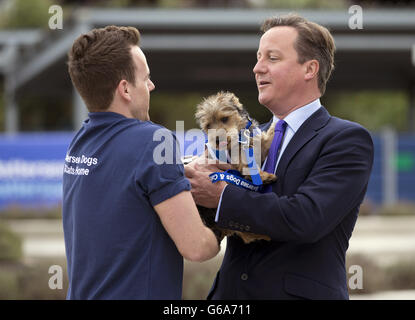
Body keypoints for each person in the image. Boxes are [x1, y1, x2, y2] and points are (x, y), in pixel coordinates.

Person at [185, 14, 374, 299]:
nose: (257, 68)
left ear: (310, 69)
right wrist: (190, 185)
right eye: (258, 58)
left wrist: (221, 194)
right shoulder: (243, 139)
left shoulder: (347, 140)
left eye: (272, 58)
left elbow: (305, 218)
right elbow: (216, 225)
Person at [63, 25, 220, 300]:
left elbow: (130, 197)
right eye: (145, 78)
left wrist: (177, 174)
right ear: (125, 89)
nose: (151, 85)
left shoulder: (80, 142)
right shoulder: (154, 140)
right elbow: (197, 248)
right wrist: (226, 210)